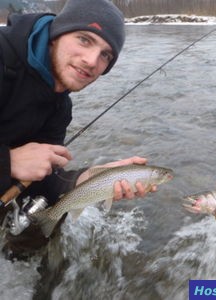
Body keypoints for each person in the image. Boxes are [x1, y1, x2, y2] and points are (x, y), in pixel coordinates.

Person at [0, 0, 156, 258]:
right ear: (55, 36)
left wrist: (90, 178)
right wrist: (9, 162)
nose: (91, 60)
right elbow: (15, 166)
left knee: (52, 209)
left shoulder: (60, 107)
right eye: (84, 39)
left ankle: (22, 268)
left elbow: (43, 181)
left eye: (106, 54)